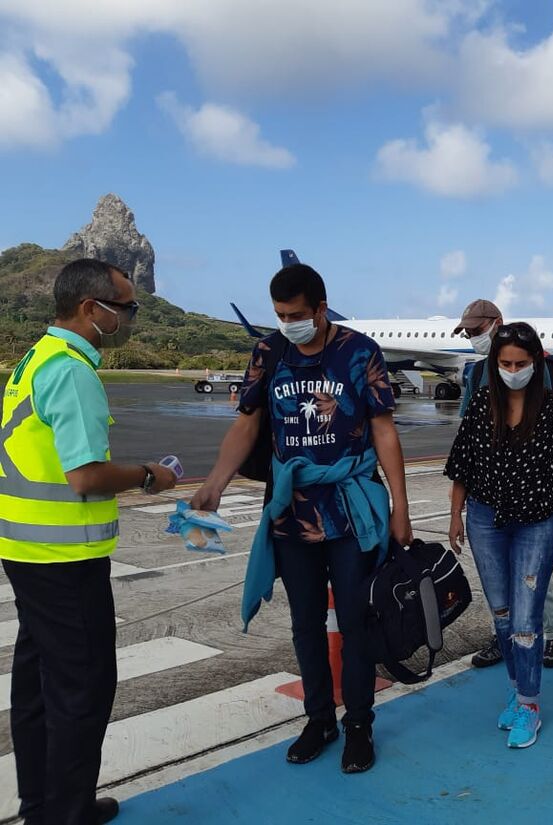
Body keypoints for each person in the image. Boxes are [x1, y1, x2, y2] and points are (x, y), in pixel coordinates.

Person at [192, 262, 412, 774]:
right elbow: (247, 425)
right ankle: (319, 719)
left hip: (352, 508)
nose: (288, 323)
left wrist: (400, 506)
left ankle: (359, 723)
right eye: (279, 315)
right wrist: (214, 484)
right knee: (305, 624)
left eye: (296, 315)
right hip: (292, 513)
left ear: (320, 307)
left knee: (357, 622)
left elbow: (384, 431)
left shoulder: (360, 352)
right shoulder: (270, 352)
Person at [0, 259, 178, 825]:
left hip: (26, 552)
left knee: (36, 686)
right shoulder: (73, 370)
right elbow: (86, 476)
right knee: (82, 691)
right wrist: (149, 473)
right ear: (89, 309)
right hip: (63, 558)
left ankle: (44, 805)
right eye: (124, 307)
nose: (129, 317)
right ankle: (66, 815)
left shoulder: (34, 359)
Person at [445, 322, 553, 748]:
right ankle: (517, 688)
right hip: (484, 519)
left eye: (522, 363)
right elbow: (462, 464)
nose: (513, 370)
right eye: (505, 363)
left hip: (538, 522)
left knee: (527, 620)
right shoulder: (480, 405)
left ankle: (530, 704)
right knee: (502, 614)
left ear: (536, 363)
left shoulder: (550, 409)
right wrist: (456, 515)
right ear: (494, 364)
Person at [454, 300, 553, 669]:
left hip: (530, 493)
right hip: (488, 494)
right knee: (499, 578)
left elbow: (547, 433)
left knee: (529, 574)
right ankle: (504, 632)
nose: (473, 337)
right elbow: (466, 431)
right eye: (469, 333)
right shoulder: (476, 374)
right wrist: (460, 499)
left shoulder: (536, 376)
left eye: (477, 330)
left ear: (497, 323)